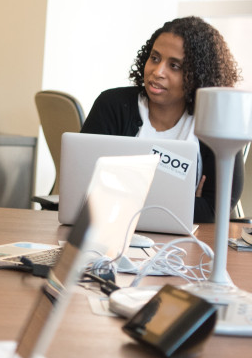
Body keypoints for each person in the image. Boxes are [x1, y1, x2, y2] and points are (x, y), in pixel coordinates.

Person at [81, 16, 244, 223]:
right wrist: (185, 204)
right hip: (110, 234)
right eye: (155, 58)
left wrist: (123, 197)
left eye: (174, 66)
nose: (157, 72)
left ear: (199, 74)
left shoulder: (215, 121)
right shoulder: (112, 105)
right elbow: (85, 190)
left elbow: (214, 209)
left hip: (184, 247)